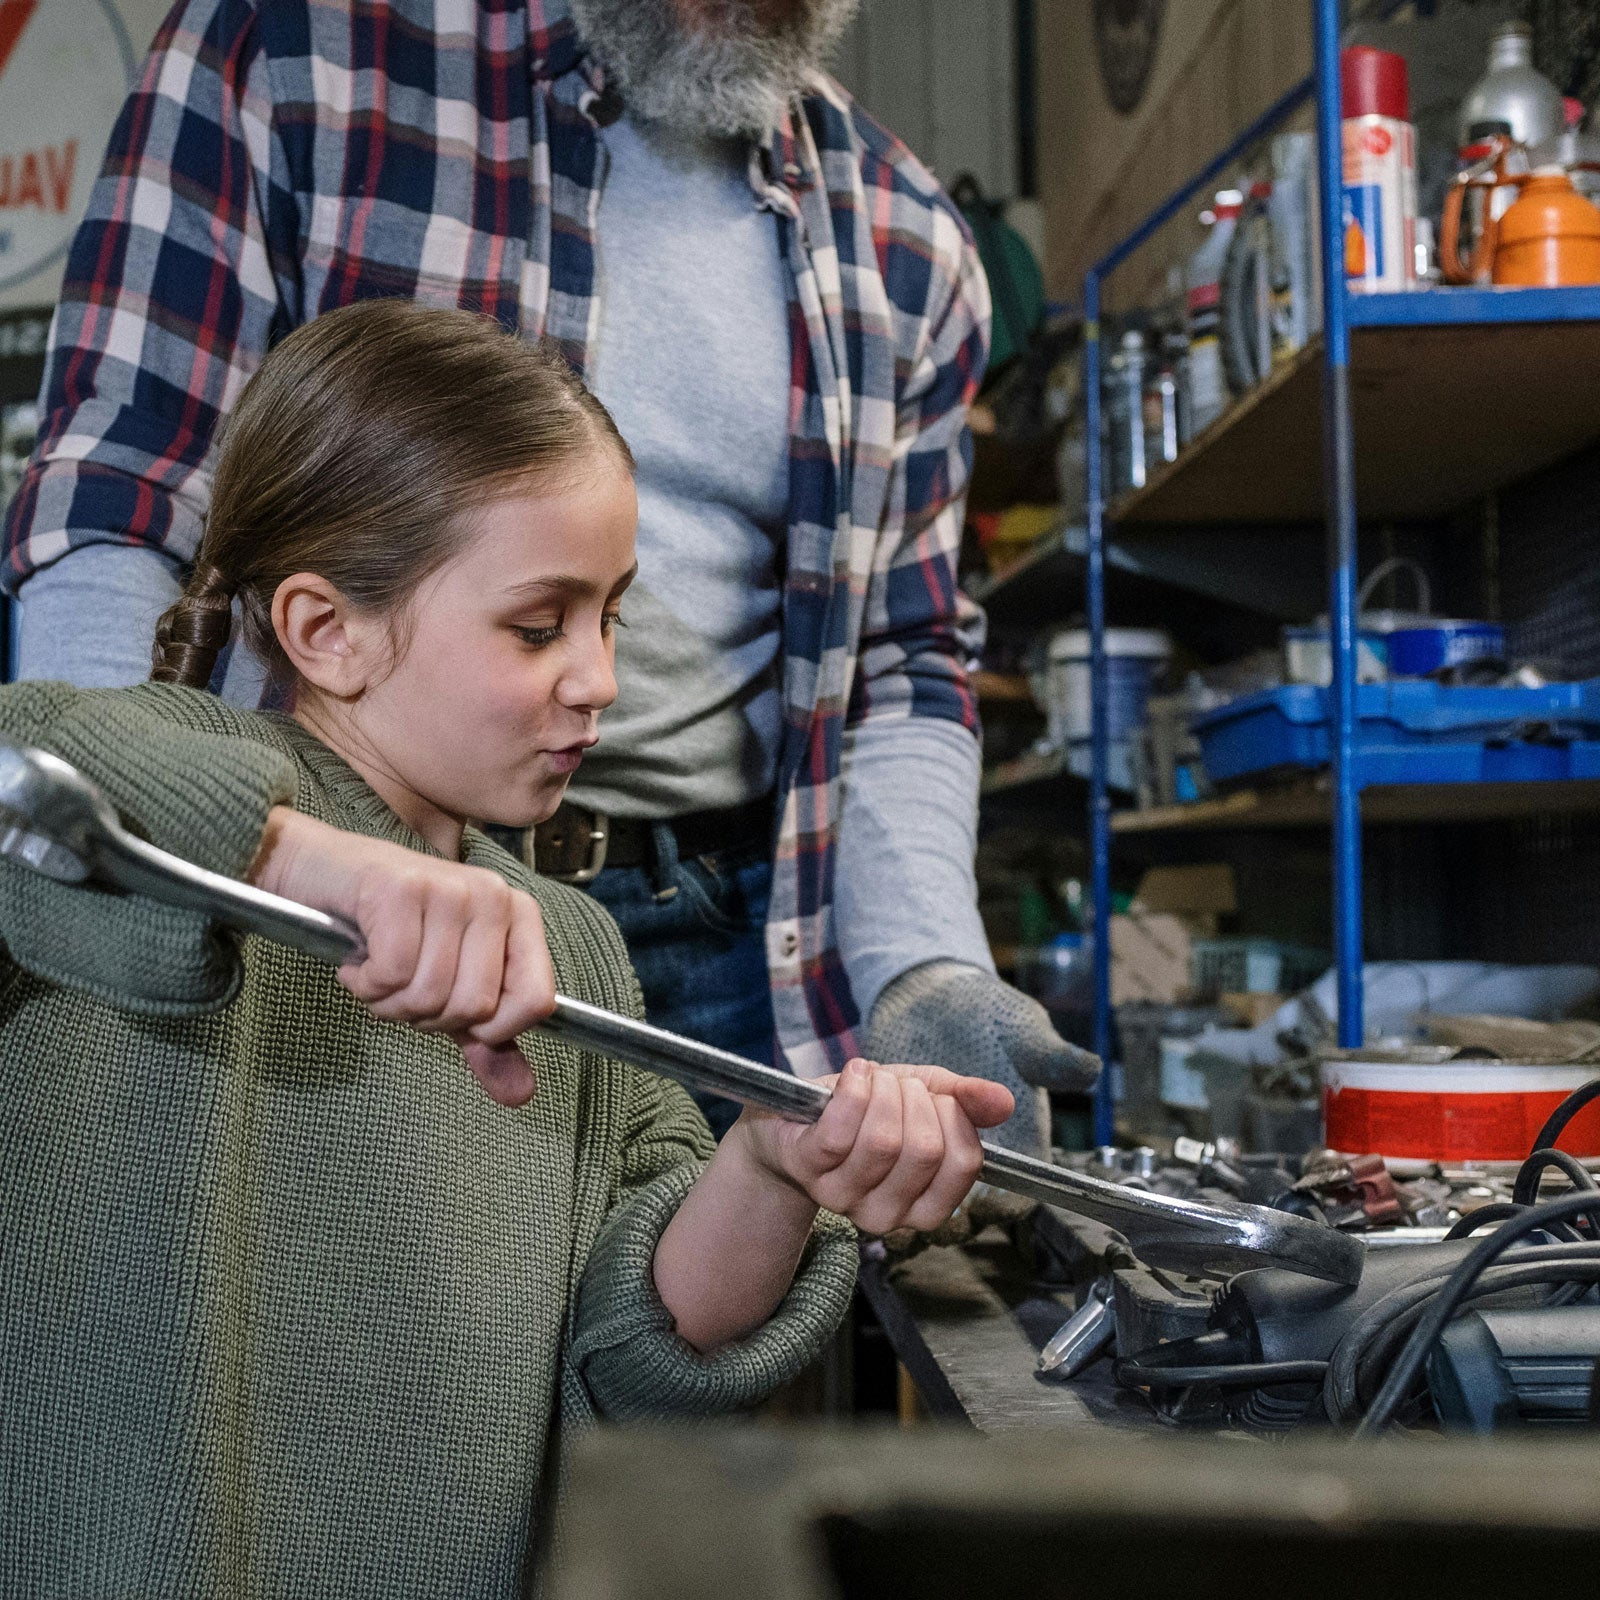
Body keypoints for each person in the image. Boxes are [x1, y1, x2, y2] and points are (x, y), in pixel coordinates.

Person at [0, 299, 1014, 1599]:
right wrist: (307, 861)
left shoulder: (571, 953)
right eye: (539, 626)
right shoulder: (118, 844)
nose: (597, 677)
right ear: (326, 631)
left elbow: (631, 1359)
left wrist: (775, 1164)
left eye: (610, 618)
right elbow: (40, 755)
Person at [1, 0, 1097, 1151]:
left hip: (737, 936)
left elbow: (900, 657)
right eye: (543, 630)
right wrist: (135, 847)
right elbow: (118, 495)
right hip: (348, 904)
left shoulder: (908, 245)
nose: (599, 682)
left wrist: (923, 963)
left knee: (694, 1302)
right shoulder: (294, 57)